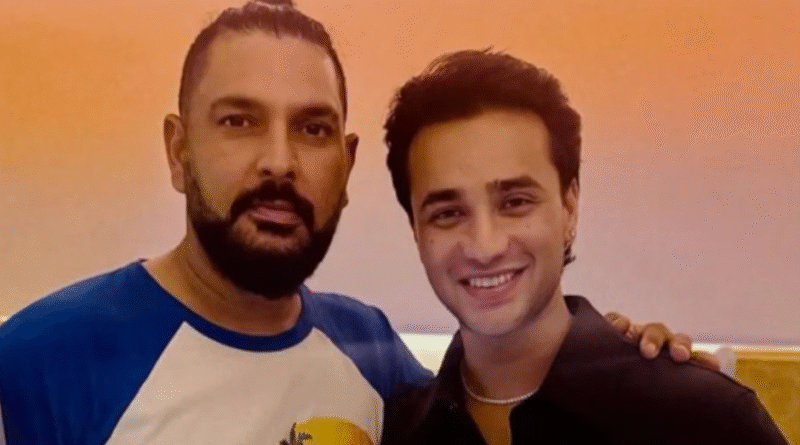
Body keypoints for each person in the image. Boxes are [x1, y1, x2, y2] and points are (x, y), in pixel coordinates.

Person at [0, 2, 708, 444]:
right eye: (239, 121)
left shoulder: (375, 358)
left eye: (312, 128)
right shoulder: (36, 363)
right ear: (179, 151)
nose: (279, 162)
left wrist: (629, 357)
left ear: (345, 163)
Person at [381, 49, 787, 444]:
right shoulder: (394, 431)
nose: (485, 247)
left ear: (569, 207)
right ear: (416, 229)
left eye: (515, 202)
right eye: (448, 213)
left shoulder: (703, 418)